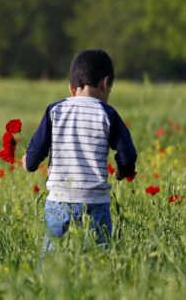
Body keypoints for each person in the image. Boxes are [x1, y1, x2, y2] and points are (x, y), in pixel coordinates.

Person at [23, 49, 136, 250]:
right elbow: (128, 153)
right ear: (105, 83)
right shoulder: (107, 113)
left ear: (71, 88)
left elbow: (35, 152)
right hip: (95, 203)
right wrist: (123, 171)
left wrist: (28, 162)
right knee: (98, 258)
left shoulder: (54, 111)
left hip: (58, 201)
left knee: (51, 258)